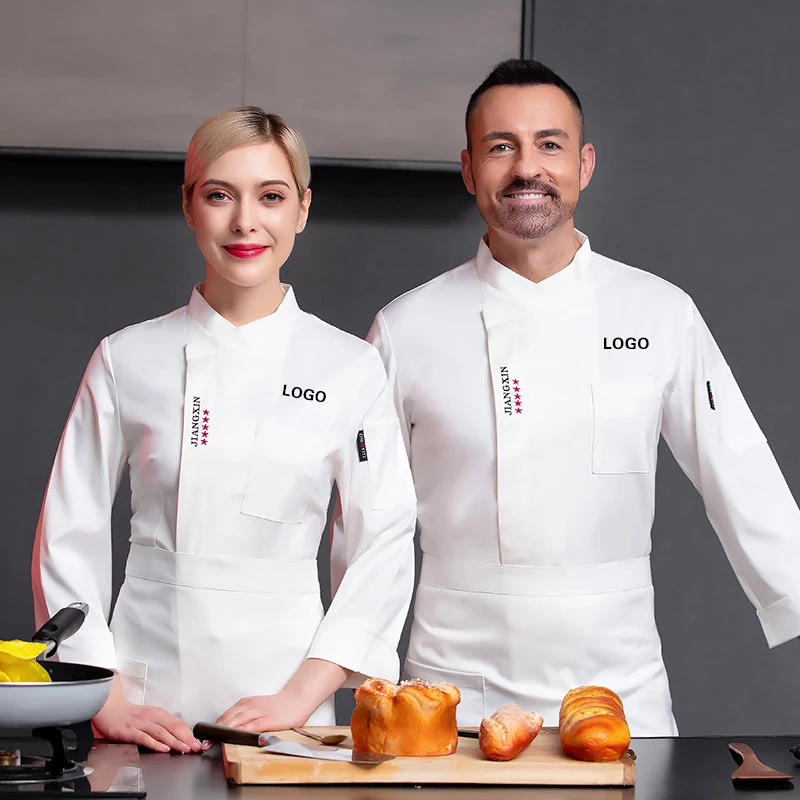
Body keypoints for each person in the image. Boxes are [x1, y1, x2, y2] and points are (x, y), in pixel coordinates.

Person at [332, 60, 800, 736]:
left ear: (584, 164)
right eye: (502, 147)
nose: (528, 167)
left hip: (620, 687)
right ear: (468, 169)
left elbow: (741, 471)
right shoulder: (405, 328)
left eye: (549, 145)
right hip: (449, 692)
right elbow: (363, 519)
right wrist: (355, 663)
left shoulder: (659, 312)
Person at [32, 106, 416, 753]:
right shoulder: (126, 358)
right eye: (219, 195)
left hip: (290, 714)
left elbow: (383, 540)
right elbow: (67, 531)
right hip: (142, 706)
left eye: (271, 196)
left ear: (301, 209)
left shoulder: (351, 367)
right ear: (188, 206)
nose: (246, 222)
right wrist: (104, 695)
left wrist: (301, 697)